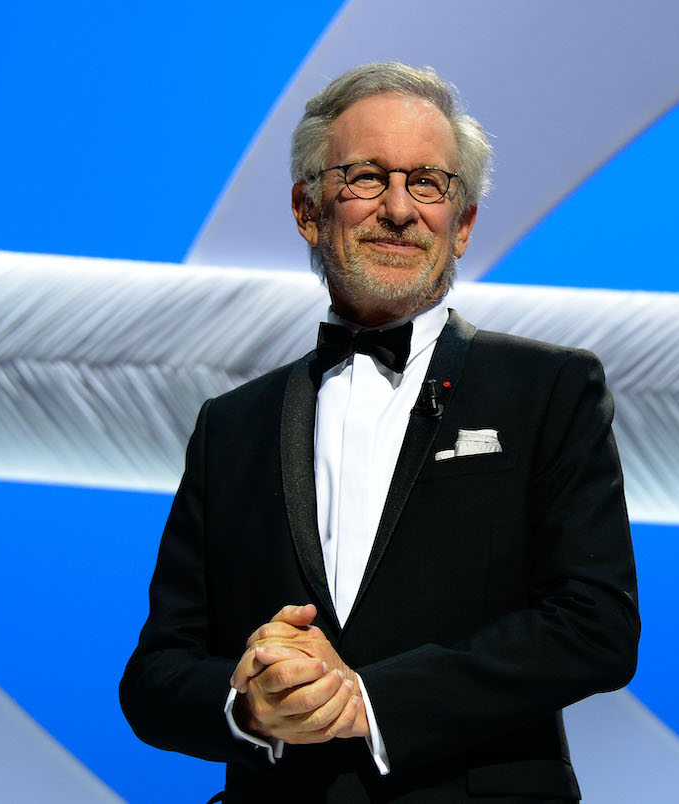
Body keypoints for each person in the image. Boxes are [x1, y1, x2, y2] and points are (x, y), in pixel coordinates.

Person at [120, 61, 640, 803]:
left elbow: (596, 626)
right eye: (365, 177)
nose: (399, 208)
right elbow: (155, 677)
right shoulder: (230, 425)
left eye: (428, 182)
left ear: (461, 225)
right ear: (307, 209)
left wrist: (369, 701)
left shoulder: (548, 390)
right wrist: (249, 706)